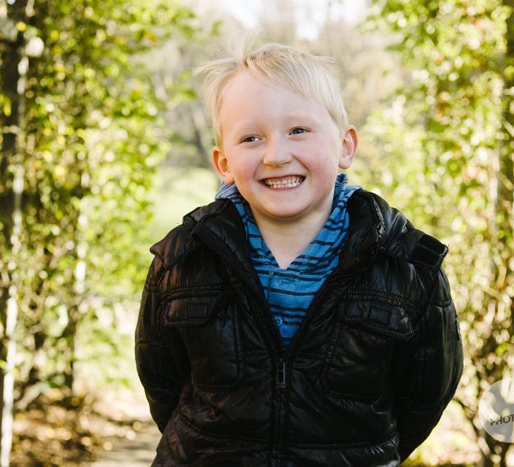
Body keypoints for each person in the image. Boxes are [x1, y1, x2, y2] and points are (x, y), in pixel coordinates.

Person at [135, 39, 463, 466]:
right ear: (224, 163)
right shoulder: (184, 261)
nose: (276, 155)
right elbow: (163, 381)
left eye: (298, 131)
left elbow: (424, 393)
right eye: (251, 138)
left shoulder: (405, 266)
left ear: (345, 146)